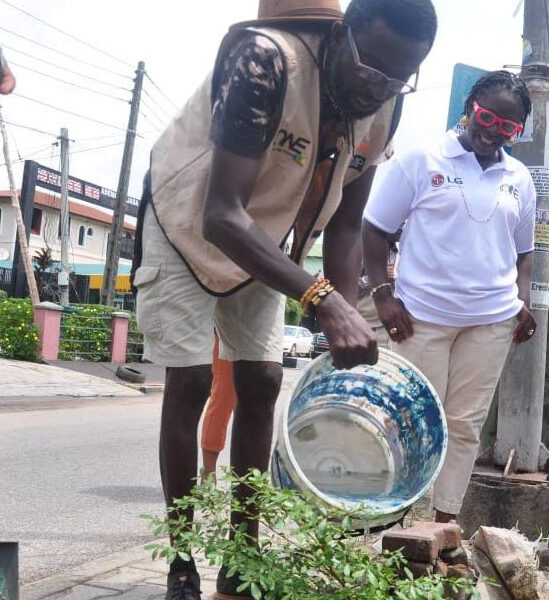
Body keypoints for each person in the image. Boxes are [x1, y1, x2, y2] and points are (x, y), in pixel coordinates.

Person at [131, 0, 437, 598]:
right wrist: (323, 297)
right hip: (189, 225)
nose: (380, 87)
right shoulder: (266, 62)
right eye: (372, 68)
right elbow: (220, 215)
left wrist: (340, 316)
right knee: (191, 383)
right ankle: (182, 558)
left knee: (264, 382)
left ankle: (242, 557)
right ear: (341, 35)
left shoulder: (385, 105)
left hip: (262, 244)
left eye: (400, 77)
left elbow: (348, 223)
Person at [362, 70, 537, 525]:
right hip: (419, 318)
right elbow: (374, 229)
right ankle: (390, 523)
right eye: (486, 116)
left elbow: (524, 254)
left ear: (517, 132)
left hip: (491, 322)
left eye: (507, 127)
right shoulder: (421, 160)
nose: (492, 130)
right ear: (469, 106)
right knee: (409, 421)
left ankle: (442, 527)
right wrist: (384, 297)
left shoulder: (519, 177)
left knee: (463, 426)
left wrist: (523, 301)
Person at [356, 229, 399, 348]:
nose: (400, 229)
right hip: (364, 323)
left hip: (390, 323)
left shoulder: (402, 252)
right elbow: (351, 286)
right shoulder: (362, 252)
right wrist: (379, 277)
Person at [200, 337, 236, 480]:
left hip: (259, 328)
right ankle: (208, 475)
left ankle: (248, 481)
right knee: (223, 396)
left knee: (252, 405)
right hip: (228, 327)